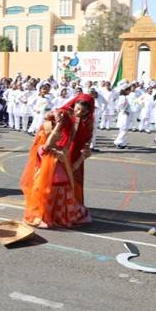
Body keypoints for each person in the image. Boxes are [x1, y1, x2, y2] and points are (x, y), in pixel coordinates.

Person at [20, 93, 95, 228]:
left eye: (83, 111)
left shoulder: (87, 122)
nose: (79, 112)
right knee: (49, 184)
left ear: (89, 111)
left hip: (71, 153)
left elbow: (87, 140)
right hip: (58, 152)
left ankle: (62, 211)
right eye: (78, 109)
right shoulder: (64, 114)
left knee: (69, 182)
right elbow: (47, 121)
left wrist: (85, 151)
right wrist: (57, 122)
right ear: (74, 104)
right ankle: (46, 213)